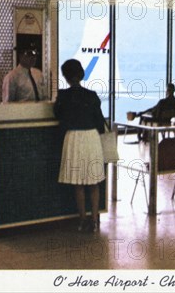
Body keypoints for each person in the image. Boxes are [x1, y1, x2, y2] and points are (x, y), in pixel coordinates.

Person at [55, 59, 106, 233]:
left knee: (78, 183)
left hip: (74, 138)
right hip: (91, 137)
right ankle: (94, 220)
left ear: (66, 76)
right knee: (93, 182)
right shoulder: (91, 95)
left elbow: (58, 115)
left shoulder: (63, 96)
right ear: (81, 73)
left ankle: (82, 219)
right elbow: (100, 122)